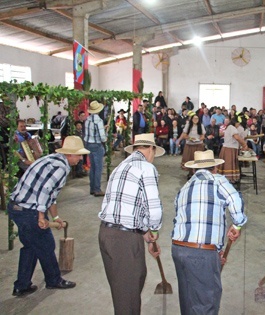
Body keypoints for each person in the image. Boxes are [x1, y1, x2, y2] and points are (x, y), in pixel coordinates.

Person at [9, 136, 90, 296]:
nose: (81, 158)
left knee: (31, 247)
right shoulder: (61, 168)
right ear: (69, 154)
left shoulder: (52, 159)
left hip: (16, 207)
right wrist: (41, 217)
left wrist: (55, 217)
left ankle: (22, 285)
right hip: (28, 211)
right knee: (46, 245)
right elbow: (45, 191)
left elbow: (51, 195)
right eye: (79, 155)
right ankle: (54, 280)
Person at [172, 150, 247, 315]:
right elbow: (235, 201)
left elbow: (178, 218)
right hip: (201, 251)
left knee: (188, 300)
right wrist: (237, 225)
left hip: (178, 249)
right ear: (215, 168)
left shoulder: (184, 188)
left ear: (194, 170)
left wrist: (217, 251)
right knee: (206, 303)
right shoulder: (217, 180)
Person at [99, 133, 164, 314]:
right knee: (128, 297)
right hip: (124, 239)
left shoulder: (120, 167)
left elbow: (129, 206)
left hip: (106, 232)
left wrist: (146, 235)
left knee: (126, 287)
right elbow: (153, 207)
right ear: (150, 149)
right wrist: (155, 229)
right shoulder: (146, 168)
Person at [84, 101, 107, 197]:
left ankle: (92, 188)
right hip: (96, 145)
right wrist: (105, 135)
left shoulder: (87, 119)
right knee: (98, 168)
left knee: (92, 167)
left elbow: (91, 132)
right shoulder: (98, 120)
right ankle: (97, 189)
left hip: (88, 144)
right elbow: (102, 137)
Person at [217, 114, 249, 183]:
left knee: (230, 164)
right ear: (236, 122)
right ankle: (230, 180)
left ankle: (231, 179)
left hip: (230, 148)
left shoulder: (230, 127)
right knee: (229, 164)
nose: (238, 125)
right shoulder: (232, 127)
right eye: (238, 124)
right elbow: (237, 137)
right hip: (229, 148)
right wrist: (244, 144)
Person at [178, 112, 206, 179]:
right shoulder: (188, 125)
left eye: (197, 118)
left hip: (198, 145)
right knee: (190, 159)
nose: (196, 120)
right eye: (194, 118)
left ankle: (197, 173)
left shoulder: (201, 126)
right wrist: (189, 138)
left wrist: (198, 139)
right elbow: (184, 135)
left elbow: (203, 136)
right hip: (190, 145)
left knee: (197, 160)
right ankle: (190, 173)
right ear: (192, 119)